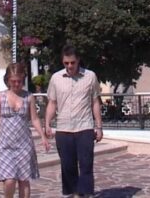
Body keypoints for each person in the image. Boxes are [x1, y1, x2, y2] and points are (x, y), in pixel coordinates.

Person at [0, 62, 50, 198]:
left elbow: (34, 119)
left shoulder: (28, 97)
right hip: (6, 145)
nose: (16, 84)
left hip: (24, 145)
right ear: (7, 80)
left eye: (19, 81)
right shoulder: (0, 97)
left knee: (24, 181)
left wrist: (43, 136)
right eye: (13, 81)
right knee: (9, 181)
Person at [45, 45, 103, 198]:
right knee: (67, 165)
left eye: (72, 62)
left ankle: (86, 194)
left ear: (78, 60)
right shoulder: (56, 78)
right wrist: (47, 123)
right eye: (66, 63)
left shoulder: (90, 76)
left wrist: (99, 127)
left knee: (86, 164)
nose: (70, 66)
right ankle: (73, 193)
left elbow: (95, 102)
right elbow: (52, 103)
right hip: (63, 129)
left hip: (84, 127)